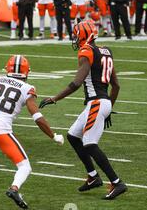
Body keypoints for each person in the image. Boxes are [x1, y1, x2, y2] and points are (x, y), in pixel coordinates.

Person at [39, 20, 127, 200]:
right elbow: (116, 85)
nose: (75, 38)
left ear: (83, 35)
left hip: (96, 102)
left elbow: (77, 83)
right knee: (73, 135)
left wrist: (54, 98)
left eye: (76, 34)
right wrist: (109, 108)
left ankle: (117, 182)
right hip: (102, 102)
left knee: (90, 144)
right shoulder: (105, 51)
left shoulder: (86, 51)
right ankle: (93, 177)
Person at [0, 55, 64, 209]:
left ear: (7, 69)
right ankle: (14, 189)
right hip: (2, 130)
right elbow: (38, 117)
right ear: (27, 72)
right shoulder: (27, 88)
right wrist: (53, 136)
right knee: (25, 166)